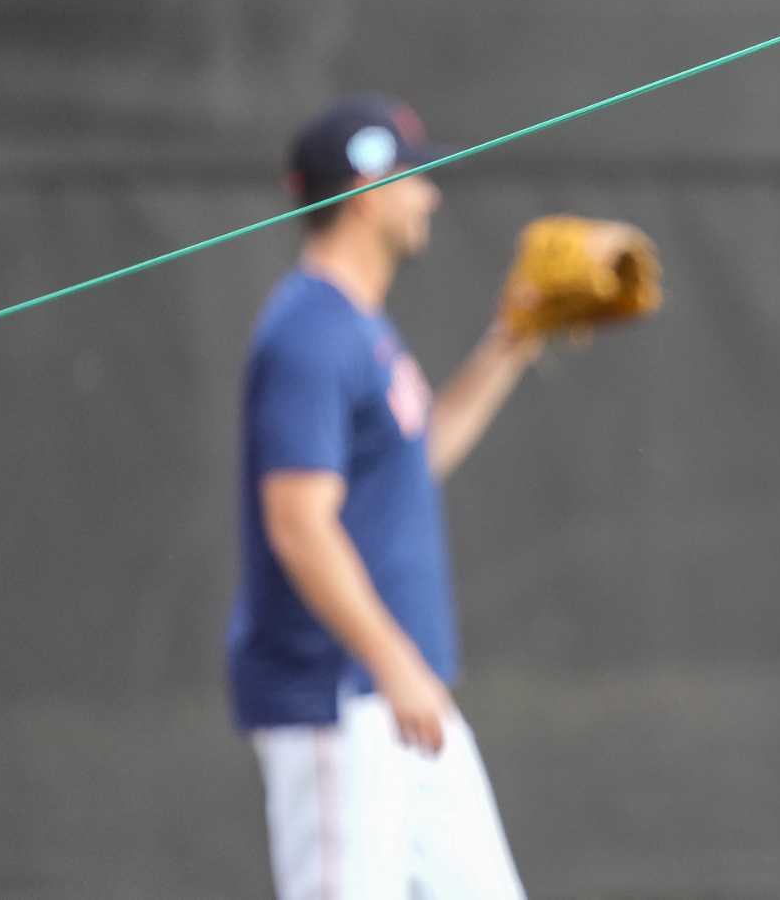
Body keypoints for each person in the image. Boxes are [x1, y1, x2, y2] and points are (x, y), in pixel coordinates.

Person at [226, 94, 547, 899]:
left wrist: (510, 344)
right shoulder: (310, 331)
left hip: (397, 697)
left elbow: (412, 458)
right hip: (339, 697)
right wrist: (391, 658)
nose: (429, 194)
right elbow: (298, 523)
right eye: (414, 176)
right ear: (366, 190)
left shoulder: (355, 324)